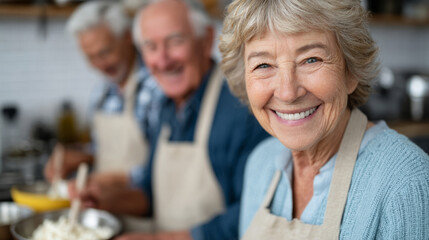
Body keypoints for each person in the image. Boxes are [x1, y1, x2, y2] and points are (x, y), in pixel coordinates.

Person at [218, 0, 429, 239]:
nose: (287, 93)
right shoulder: (260, 164)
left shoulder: (406, 182)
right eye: (264, 64)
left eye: (311, 60)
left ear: (351, 72)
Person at [70, 0, 268, 239]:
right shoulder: (166, 106)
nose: (162, 60)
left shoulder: (241, 109)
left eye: (175, 42)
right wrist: (105, 200)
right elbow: (151, 194)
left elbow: (255, 214)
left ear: (206, 41)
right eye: (151, 47)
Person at [44, 1, 162, 181]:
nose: (100, 64)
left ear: (128, 36)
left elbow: (164, 164)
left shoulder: (157, 88)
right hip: (105, 204)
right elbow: (104, 153)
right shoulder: (101, 94)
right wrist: (82, 157)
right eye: (90, 57)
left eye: (105, 52)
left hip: (145, 205)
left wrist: (113, 184)